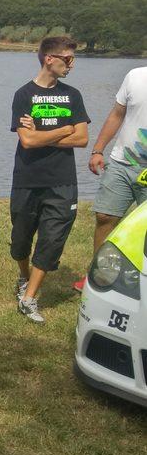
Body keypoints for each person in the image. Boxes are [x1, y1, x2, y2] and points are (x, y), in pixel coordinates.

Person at [11, 36, 89, 323]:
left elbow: (82, 139)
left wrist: (42, 135)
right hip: (27, 179)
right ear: (49, 59)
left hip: (62, 181)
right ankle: (24, 277)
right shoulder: (24, 95)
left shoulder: (73, 95)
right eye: (67, 59)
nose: (71, 64)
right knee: (20, 240)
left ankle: (29, 298)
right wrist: (64, 129)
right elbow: (27, 142)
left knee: (52, 239)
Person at [73, 65, 147, 291]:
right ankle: (99, 276)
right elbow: (117, 114)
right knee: (105, 216)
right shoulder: (135, 76)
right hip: (121, 162)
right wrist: (98, 149)